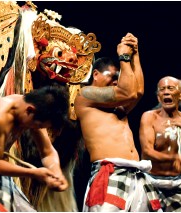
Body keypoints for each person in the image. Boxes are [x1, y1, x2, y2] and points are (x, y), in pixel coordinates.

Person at [74, 33, 161, 212]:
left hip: (137, 176)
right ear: (96, 74)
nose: (116, 80)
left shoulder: (117, 107)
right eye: (112, 76)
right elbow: (128, 91)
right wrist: (123, 56)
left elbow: (137, 91)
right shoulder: (85, 95)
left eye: (118, 77)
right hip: (111, 172)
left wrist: (135, 55)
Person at [139, 76, 181, 212]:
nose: (166, 92)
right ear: (158, 97)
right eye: (162, 89)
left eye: (170, 88)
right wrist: (174, 158)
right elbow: (147, 151)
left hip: (176, 184)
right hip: (149, 182)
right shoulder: (149, 117)